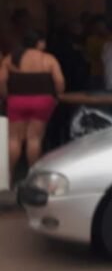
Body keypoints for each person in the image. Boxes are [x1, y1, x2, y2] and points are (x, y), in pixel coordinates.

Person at [0, 31, 65, 180]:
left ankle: (7, 177)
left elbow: (2, 80)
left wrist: (5, 96)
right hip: (42, 101)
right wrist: (57, 95)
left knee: (14, 139)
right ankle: (33, 177)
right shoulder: (48, 59)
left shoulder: (11, 59)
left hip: (16, 100)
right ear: (39, 43)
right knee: (34, 139)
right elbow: (59, 81)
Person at [84, 16, 110, 89]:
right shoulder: (90, 40)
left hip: (108, 73)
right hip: (94, 73)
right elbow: (89, 56)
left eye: (101, 25)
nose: (99, 28)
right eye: (97, 26)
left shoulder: (111, 39)